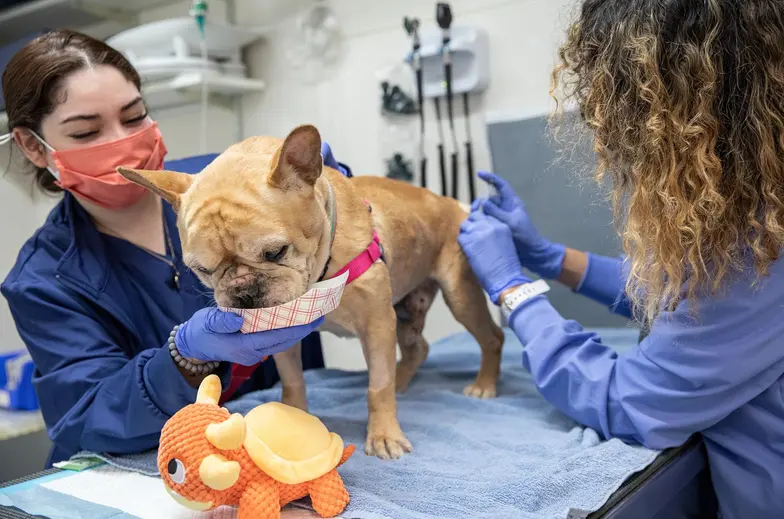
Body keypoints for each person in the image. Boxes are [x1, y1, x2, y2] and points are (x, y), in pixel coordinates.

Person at [458, 2, 784, 519]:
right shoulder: (761, 208)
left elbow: (627, 401)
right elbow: (687, 301)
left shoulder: (765, 253)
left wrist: (512, 288)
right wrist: (548, 256)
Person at [0, 29, 352, 465]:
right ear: (34, 147)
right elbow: (87, 416)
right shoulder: (42, 279)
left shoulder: (231, 186)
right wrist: (184, 355)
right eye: (87, 131)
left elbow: (358, 246)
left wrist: (331, 201)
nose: (122, 143)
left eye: (134, 117)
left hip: (288, 440)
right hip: (154, 468)